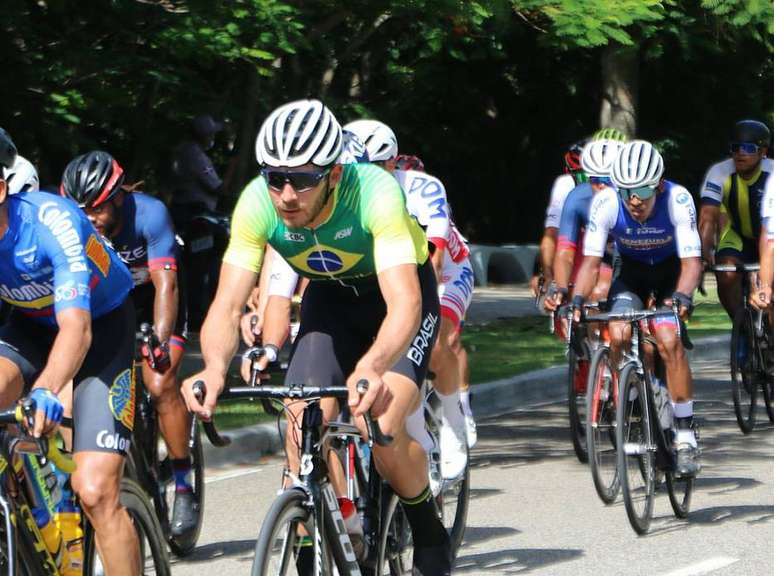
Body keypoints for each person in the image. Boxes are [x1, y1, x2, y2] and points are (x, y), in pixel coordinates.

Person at [181, 99, 452, 575]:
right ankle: (314, 536)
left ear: (334, 175)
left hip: (397, 299)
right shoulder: (257, 203)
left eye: (302, 180)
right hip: (331, 303)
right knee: (299, 421)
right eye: (275, 178)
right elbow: (225, 306)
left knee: (382, 421)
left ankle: (427, 528)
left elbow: (405, 303)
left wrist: (371, 366)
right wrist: (213, 367)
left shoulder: (374, 193)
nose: (286, 194)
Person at [0, 130, 141, 574]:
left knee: (96, 491)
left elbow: (76, 329)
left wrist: (46, 388)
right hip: (29, 325)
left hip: (101, 326)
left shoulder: (50, 221)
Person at [59, 150, 197, 538]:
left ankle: (184, 483)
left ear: (118, 196)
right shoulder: (73, 226)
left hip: (155, 298)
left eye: (97, 209)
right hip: (110, 305)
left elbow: (165, 285)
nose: (89, 219)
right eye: (80, 210)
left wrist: (159, 336)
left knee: (159, 381)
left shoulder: (149, 215)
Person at [344, 119, 475, 482]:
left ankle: (452, 422)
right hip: (392, 278)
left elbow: (433, 261)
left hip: (447, 273)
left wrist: (415, 314)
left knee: (433, 342)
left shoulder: (422, 188)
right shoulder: (342, 194)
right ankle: (415, 440)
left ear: (392, 165)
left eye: (374, 169)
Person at [572, 140, 703, 476]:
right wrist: (576, 300)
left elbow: (691, 263)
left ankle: (685, 432)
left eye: (642, 191)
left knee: (668, 340)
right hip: (630, 273)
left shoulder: (678, 199)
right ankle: (628, 401)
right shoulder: (606, 203)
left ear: (658, 185)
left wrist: (683, 296)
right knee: (617, 331)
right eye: (627, 190)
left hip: (670, 273)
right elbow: (589, 262)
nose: (633, 200)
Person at [699, 119, 773, 319]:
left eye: (748, 148)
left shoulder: (772, 173)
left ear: (763, 151)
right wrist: (704, 252)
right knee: (726, 272)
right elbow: (708, 216)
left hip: (770, 237)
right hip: (737, 235)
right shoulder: (719, 172)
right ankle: (740, 323)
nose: (741, 153)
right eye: (735, 147)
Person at [543, 138, 624, 312]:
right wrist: (561, 288)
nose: (601, 186)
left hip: (635, 256)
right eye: (595, 180)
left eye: (608, 180)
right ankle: (594, 339)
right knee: (587, 295)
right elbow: (565, 253)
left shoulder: (635, 200)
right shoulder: (577, 199)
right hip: (599, 258)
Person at [170, 114, 224, 224]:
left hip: (180, 207)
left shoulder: (183, 149)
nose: (213, 137)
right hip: (195, 212)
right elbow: (216, 188)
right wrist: (233, 166)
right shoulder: (196, 155)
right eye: (210, 134)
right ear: (203, 136)